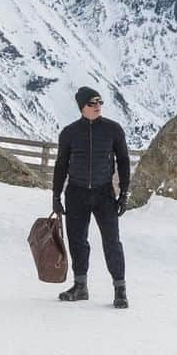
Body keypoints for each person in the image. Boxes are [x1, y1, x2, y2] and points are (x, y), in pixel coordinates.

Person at [52, 86, 131, 309]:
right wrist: (56, 196)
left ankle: (120, 290)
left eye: (99, 102)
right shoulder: (69, 133)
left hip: (104, 193)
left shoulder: (113, 130)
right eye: (92, 103)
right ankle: (80, 287)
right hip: (75, 193)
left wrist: (124, 192)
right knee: (77, 242)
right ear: (82, 107)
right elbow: (61, 165)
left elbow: (124, 161)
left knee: (112, 242)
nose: (98, 106)